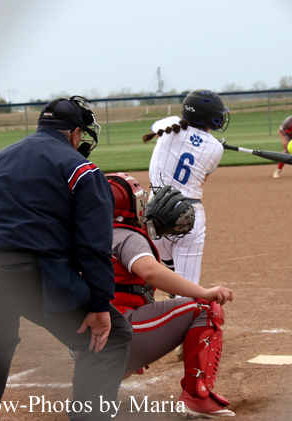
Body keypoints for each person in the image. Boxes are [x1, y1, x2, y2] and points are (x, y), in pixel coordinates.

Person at [0, 96, 133, 421]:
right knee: (113, 337)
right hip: (23, 268)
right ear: (73, 134)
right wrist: (98, 304)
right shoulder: (82, 170)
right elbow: (94, 245)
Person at [106, 172, 235, 418]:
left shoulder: (88, 233)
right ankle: (197, 397)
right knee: (205, 309)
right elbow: (150, 272)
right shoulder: (128, 237)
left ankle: (99, 383)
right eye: (138, 199)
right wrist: (203, 292)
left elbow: (147, 273)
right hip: (119, 334)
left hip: (89, 337)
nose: (143, 204)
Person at [142, 89, 229, 285]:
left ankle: (171, 275)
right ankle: (182, 297)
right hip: (189, 215)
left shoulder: (170, 126)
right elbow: (202, 179)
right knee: (188, 291)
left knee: (168, 266)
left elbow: (159, 129)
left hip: (155, 213)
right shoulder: (216, 148)